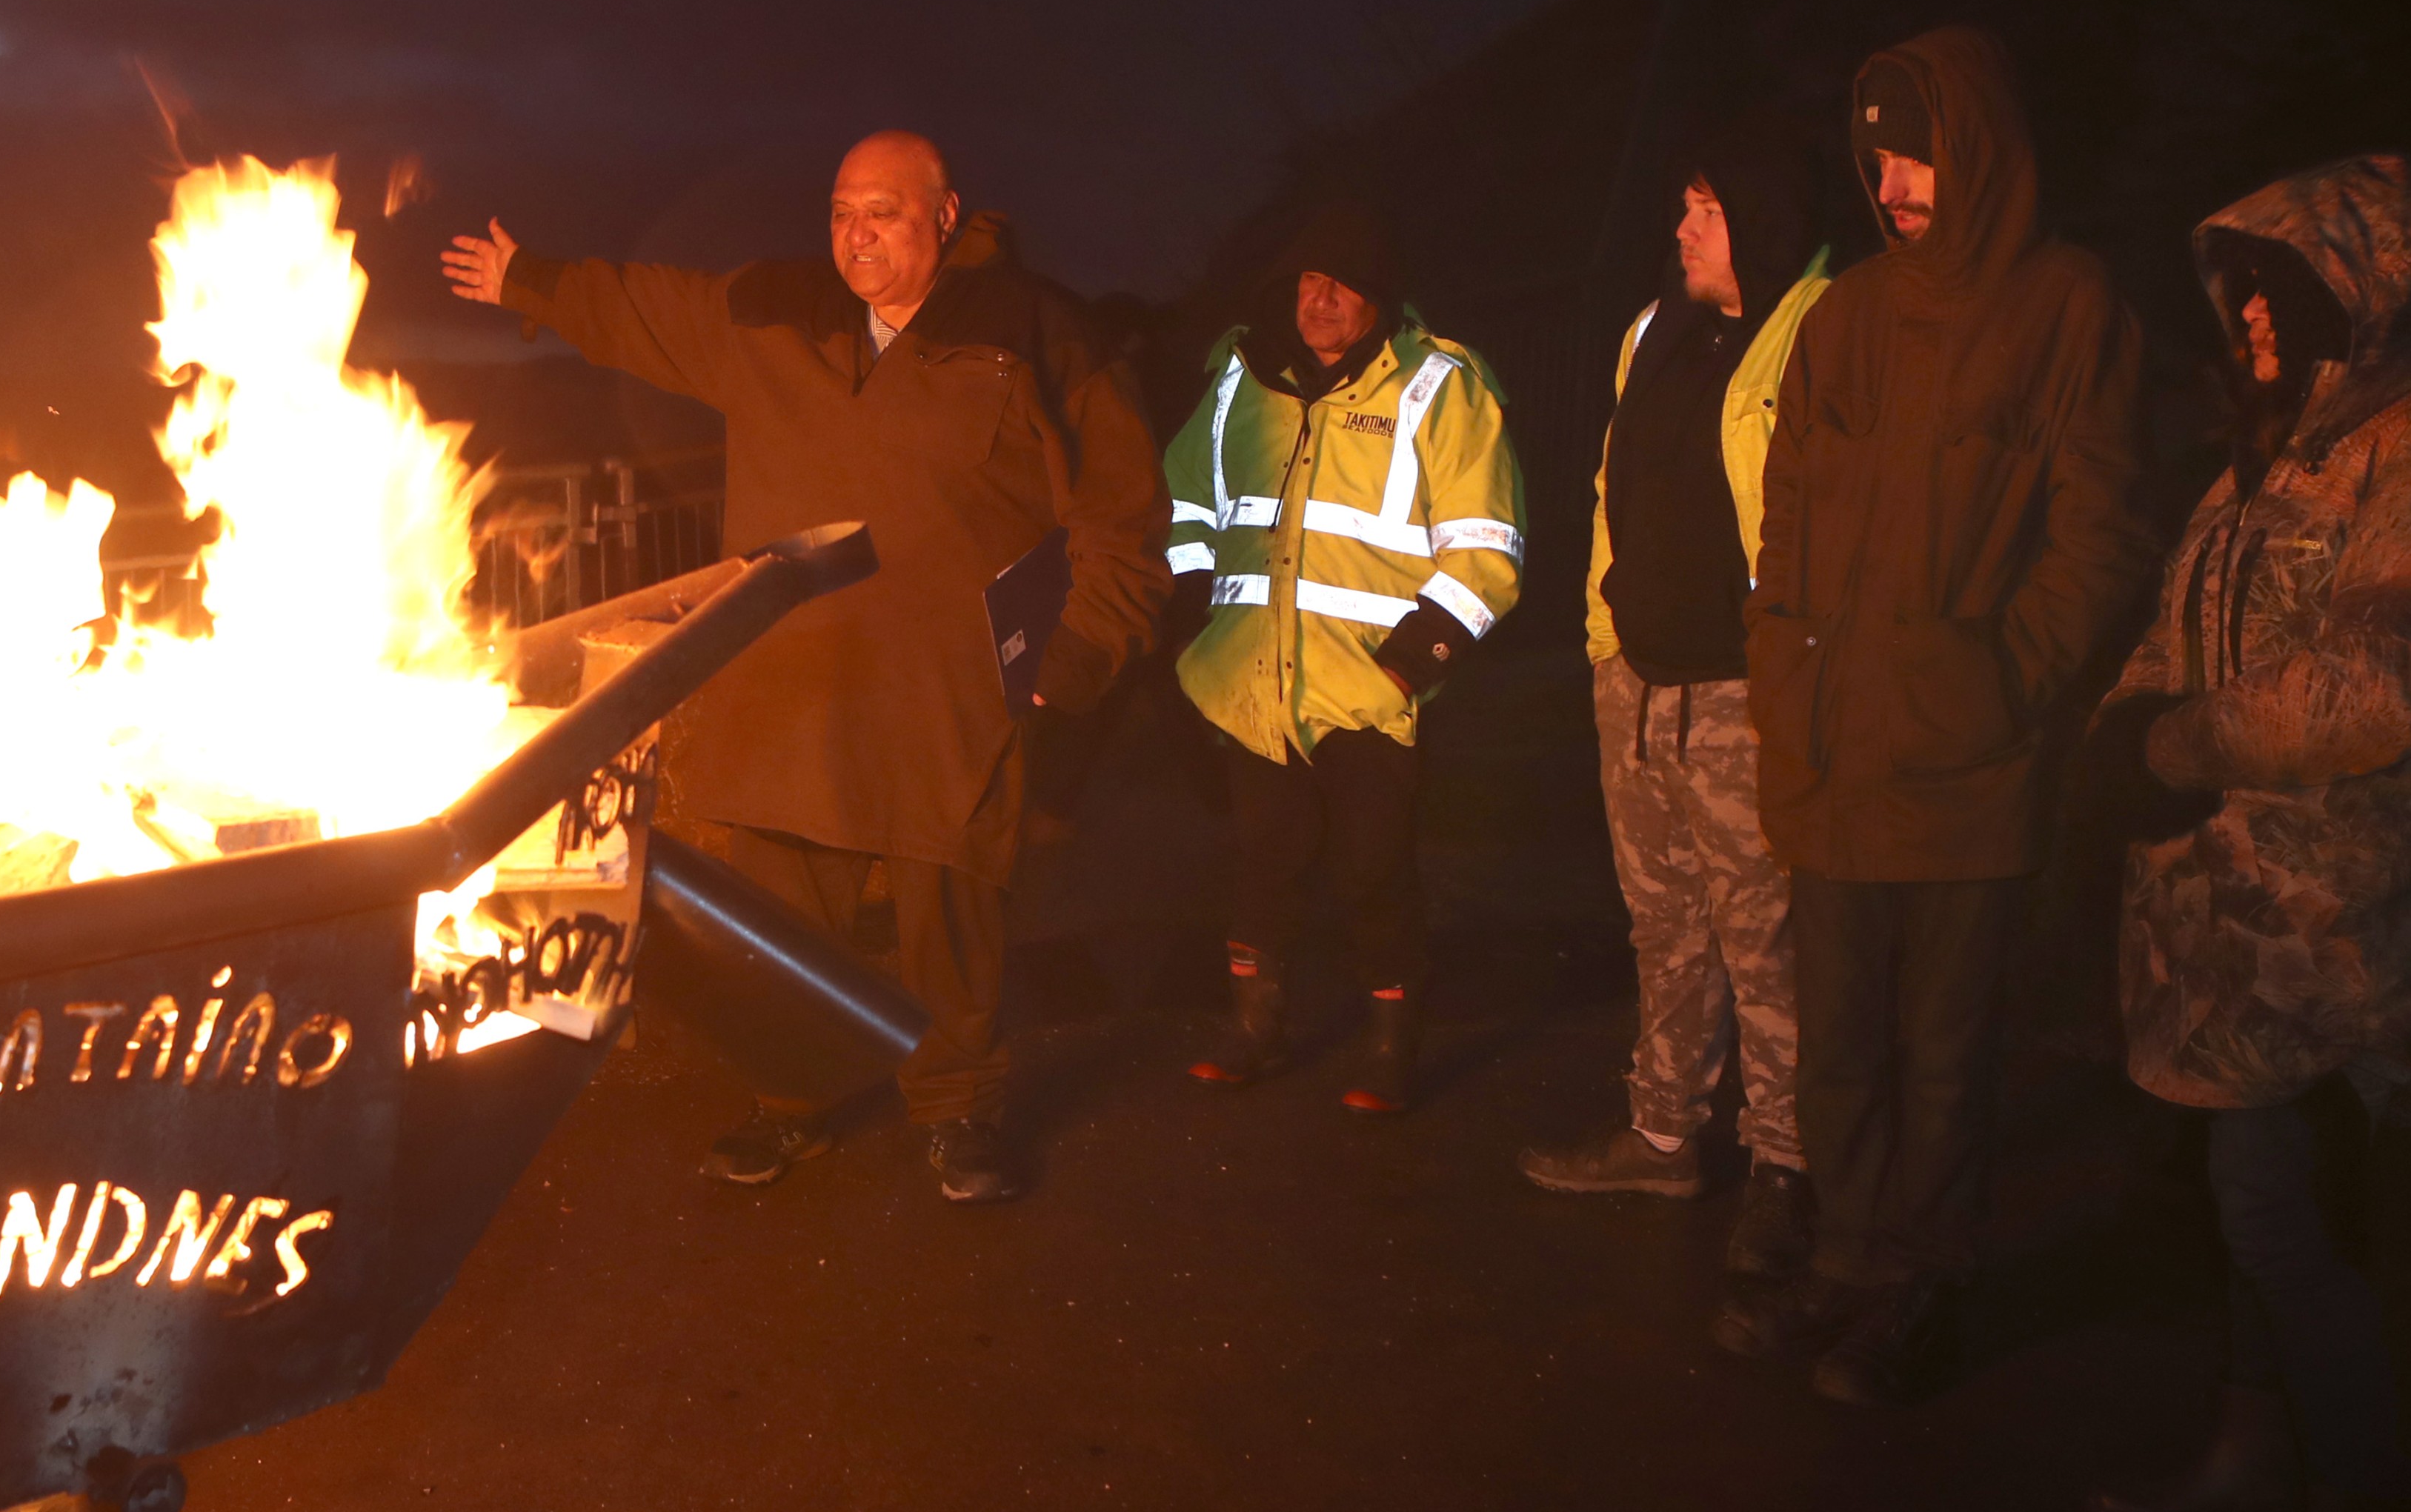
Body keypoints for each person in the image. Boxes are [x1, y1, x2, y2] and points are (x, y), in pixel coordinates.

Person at [443, 133, 1166, 1203]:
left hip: (946, 685)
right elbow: (652, 310)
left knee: (949, 906)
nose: (854, 233)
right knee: (781, 911)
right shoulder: (779, 311)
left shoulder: (1036, 332)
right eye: (838, 211)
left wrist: (1084, 645)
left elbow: (1121, 516)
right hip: (792, 679)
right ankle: (794, 1100)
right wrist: (531, 281)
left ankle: (956, 1105)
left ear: (945, 214)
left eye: (881, 210)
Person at [2083, 153, 2411, 1512]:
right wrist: (2119, 726)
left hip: (2330, 932)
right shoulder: (2268, 466)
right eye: (2238, 297)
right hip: (2223, 921)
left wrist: (2176, 743)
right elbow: (2178, 632)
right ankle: (2247, 1456)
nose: (2247, 323)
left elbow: (2396, 677)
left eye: (2275, 294)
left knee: (2285, 1215)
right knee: (2241, 1202)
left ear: (2364, 294)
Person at [1726, 25, 2157, 1404]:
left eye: (1916, 149)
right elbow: (1788, 512)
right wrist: (1783, 664)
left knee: (1946, 1048)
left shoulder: (2068, 306)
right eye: (1874, 155)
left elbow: (2099, 534)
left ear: (1978, 147)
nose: (1894, 180)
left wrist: (2004, 676)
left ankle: (1925, 1281)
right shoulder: (1846, 311)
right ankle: (1848, 1264)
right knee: (1839, 1035)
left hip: (1968, 757)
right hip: (1834, 743)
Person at [1521, 117, 1831, 1285]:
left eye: (1703, 209)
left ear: (1756, 219)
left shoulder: (1816, 329)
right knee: (1666, 927)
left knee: (1768, 942)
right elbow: (1614, 484)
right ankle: (1661, 1137)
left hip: (1746, 693)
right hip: (1639, 685)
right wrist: (1607, 640)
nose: (1681, 227)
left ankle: (1787, 1169)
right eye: (1683, 207)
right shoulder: (1654, 329)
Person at [1165, 202, 1525, 1111]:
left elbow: (1488, 544)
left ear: (1379, 296)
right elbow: (1185, 503)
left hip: (1369, 688)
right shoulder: (1241, 378)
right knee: (1261, 861)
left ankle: (1392, 1047)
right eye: (1305, 283)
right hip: (1249, 683)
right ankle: (1256, 1030)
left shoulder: (1441, 385)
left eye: (1340, 285)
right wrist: (1191, 609)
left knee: (1376, 871)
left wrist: (1413, 660)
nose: (1318, 302)